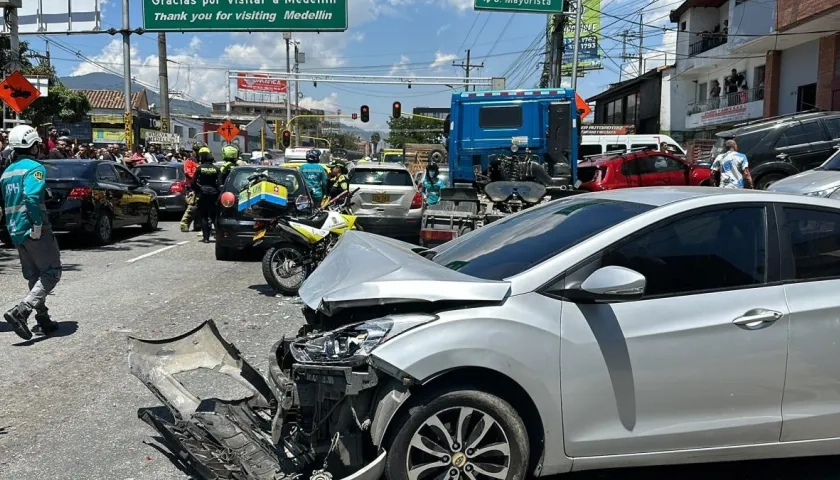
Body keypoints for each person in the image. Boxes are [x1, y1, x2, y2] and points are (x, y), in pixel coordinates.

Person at [1, 125, 62, 340]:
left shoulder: (7, 172)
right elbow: (31, 197)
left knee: (34, 275)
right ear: (33, 146)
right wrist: (37, 224)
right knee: (52, 272)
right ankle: (22, 310)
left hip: (15, 230)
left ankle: (43, 319)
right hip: (34, 227)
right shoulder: (34, 168)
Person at [191, 147, 220, 243]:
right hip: (213, 194)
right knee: (214, 216)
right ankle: (219, 236)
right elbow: (220, 183)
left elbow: (193, 182)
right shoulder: (216, 169)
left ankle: (206, 238)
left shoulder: (199, 168)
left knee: (203, 216)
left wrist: (199, 190)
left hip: (203, 194)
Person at [180, 143, 202, 232]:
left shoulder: (199, 162)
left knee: (199, 206)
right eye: (195, 151)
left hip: (200, 186)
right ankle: (184, 223)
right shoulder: (189, 161)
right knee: (192, 206)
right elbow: (187, 173)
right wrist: (195, 179)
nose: (196, 153)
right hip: (191, 186)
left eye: (198, 151)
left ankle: (197, 224)